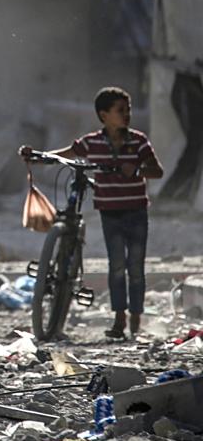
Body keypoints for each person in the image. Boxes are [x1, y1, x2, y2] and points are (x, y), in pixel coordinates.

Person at [18, 87, 163, 339]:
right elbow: (67, 154)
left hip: (137, 211)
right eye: (121, 110)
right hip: (109, 212)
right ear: (103, 115)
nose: (127, 114)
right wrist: (39, 156)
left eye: (127, 109)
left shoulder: (138, 141)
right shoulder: (91, 142)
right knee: (117, 266)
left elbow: (157, 170)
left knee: (136, 267)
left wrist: (138, 171)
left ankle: (136, 319)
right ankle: (119, 320)